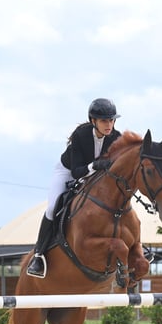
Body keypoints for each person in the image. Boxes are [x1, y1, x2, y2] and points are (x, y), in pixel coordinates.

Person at [26, 97, 122, 278]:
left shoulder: (117, 138)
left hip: (96, 176)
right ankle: (38, 255)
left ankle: (136, 245)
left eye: (111, 120)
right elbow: (77, 172)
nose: (109, 124)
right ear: (93, 121)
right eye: (104, 120)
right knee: (53, 207)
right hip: (68, 171)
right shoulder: (81, 135)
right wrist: (96, 165)